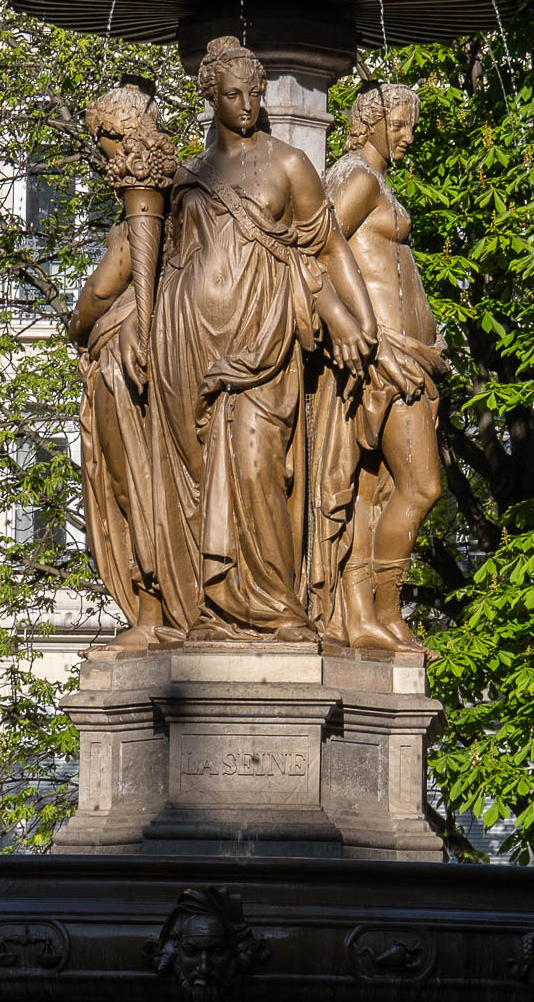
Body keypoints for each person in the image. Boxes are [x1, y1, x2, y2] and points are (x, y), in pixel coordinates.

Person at [150, 37, 376, 641]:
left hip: (264, 340)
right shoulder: (189, 176)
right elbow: (167, 259)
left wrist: (357, 319)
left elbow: (324, 250)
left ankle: (277, 607)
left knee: (257, 469)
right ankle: (210, 607)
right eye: (233, 94)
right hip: (190, 344)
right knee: (197, 484)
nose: (247, 103)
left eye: (255, 93)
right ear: (210, 97)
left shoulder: (288, 164)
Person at [313, 83, 446, 650]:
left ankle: (363, 614)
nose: (409, 136)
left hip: (403, 359)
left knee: (376, 490)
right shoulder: (357, 178)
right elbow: (317, 250)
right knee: (422, 486)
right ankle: (384, 611)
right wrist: (369, 337)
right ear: (370, 122)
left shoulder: (370, 180)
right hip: (383, 360)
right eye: (401, 124)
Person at [68, 79, 176, 649]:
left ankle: (153, 613)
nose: (106, 164)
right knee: (140, 480)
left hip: (122, 365)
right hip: (141, 358)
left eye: (103, 148)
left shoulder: (144, 194)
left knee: (132, 481)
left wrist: (77, 323)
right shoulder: (181, 191)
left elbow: (106, 285)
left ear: (120, 133)